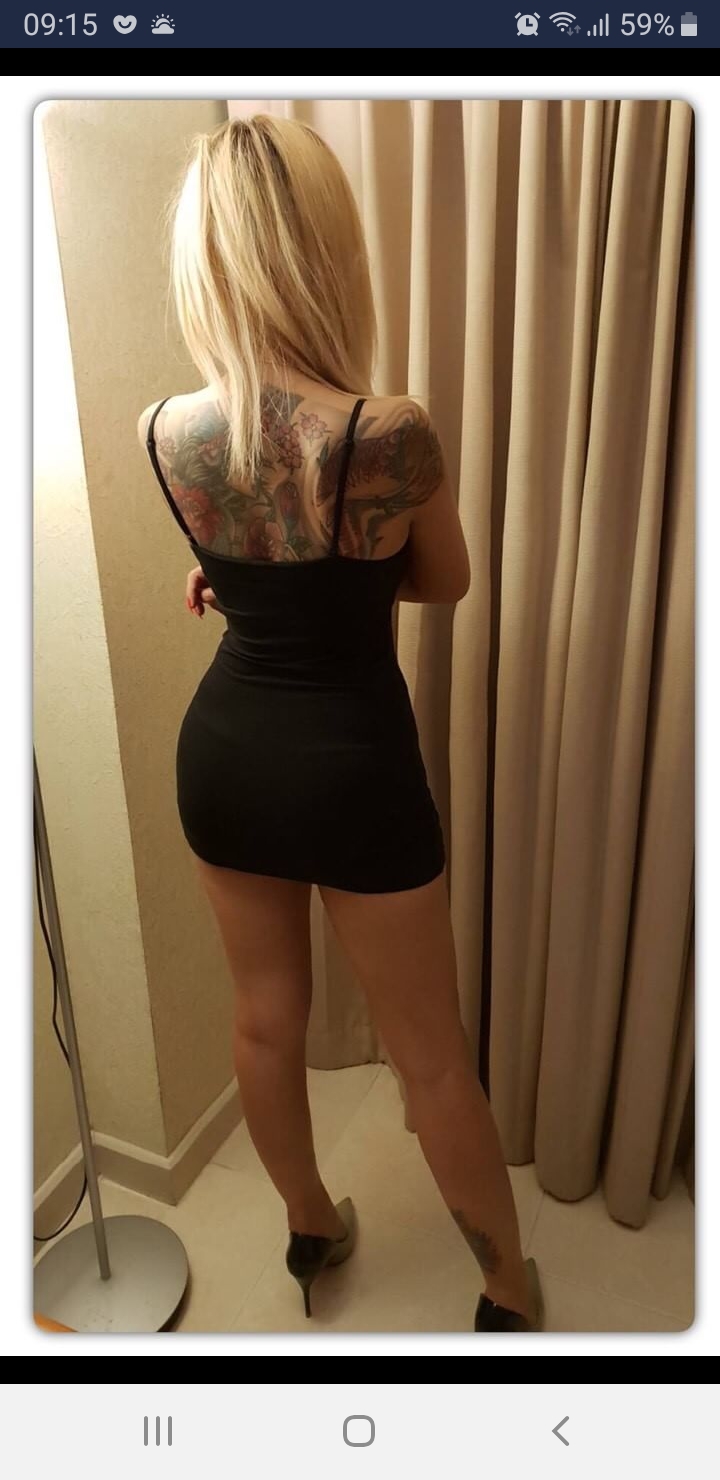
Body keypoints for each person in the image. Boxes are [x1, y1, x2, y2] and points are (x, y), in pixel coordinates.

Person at [138, 113, 542, 1333]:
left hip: (226, 756)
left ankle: (310, 1225)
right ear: (322, 250)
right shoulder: (389, 429)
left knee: (264, 1021)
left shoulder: (165, 429)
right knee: (431, 1053)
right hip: (354, 764)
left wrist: (240, 584)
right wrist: (343, 584)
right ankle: (507, 1288)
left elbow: (241, 565)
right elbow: (445, 580)